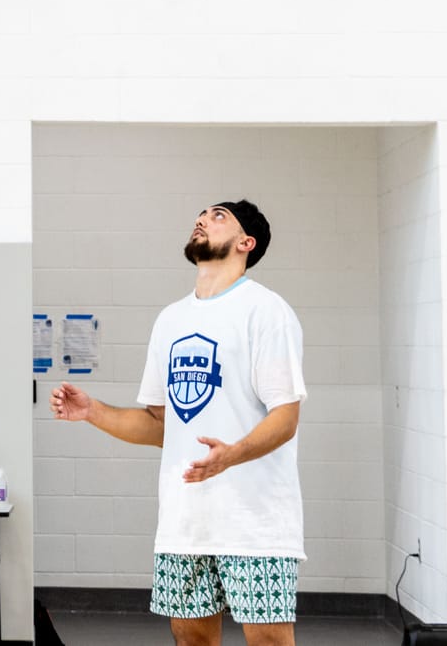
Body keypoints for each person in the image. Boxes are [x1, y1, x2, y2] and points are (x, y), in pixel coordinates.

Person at [50, 200, 305, 646]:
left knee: (268, 640)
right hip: (185, 519)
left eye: (219, 215)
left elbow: (286, 417)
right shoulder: (171, 318)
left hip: (255, 521)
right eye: (202, 214)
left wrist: (231, 456)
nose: (203, 218)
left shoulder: (266, 311)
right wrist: (94, 411)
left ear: (247, 243)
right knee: (191, 639)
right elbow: (161, 425)